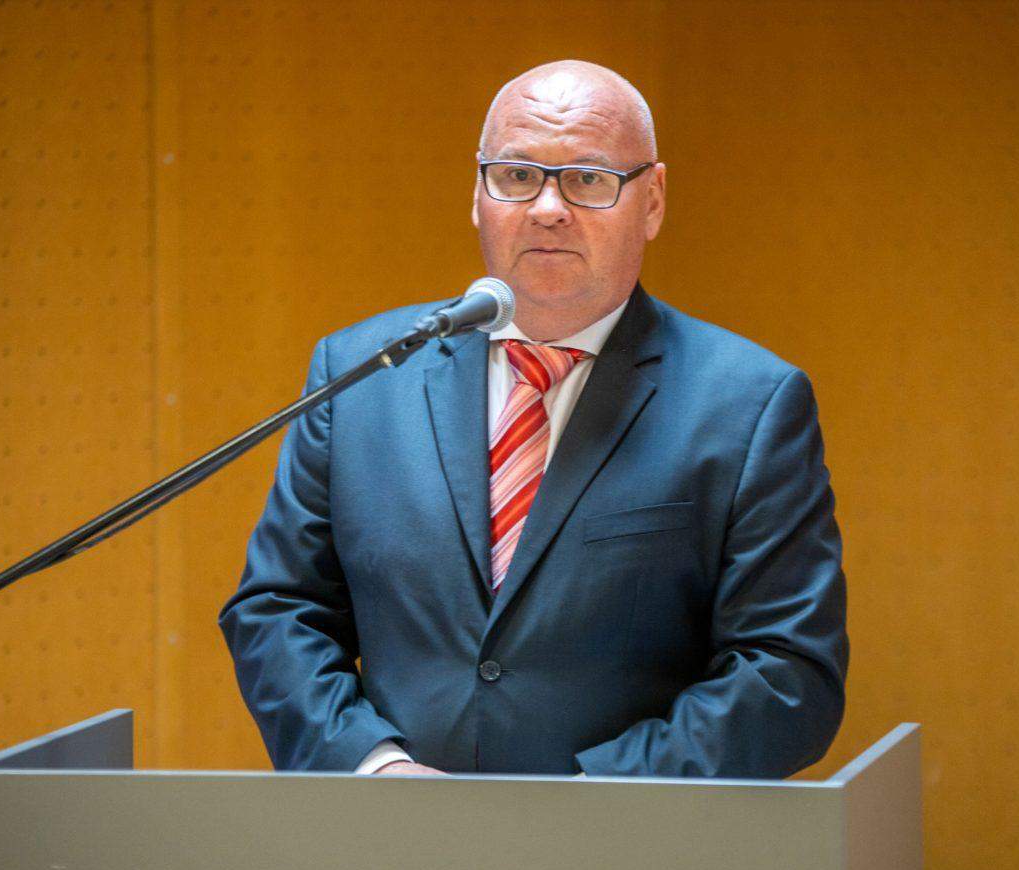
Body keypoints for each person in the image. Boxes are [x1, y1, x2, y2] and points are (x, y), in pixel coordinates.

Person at [219, 60, 848, 778]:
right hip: (389, 830)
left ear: (652, 201)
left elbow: (787, 673)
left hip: (626, 838)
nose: (548, 208)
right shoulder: (361, 373)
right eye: (517, 175)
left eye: (588, 179)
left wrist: (580, 805)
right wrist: (374, 766)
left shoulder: (750, 403)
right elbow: (278, 608)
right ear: (478, 194)